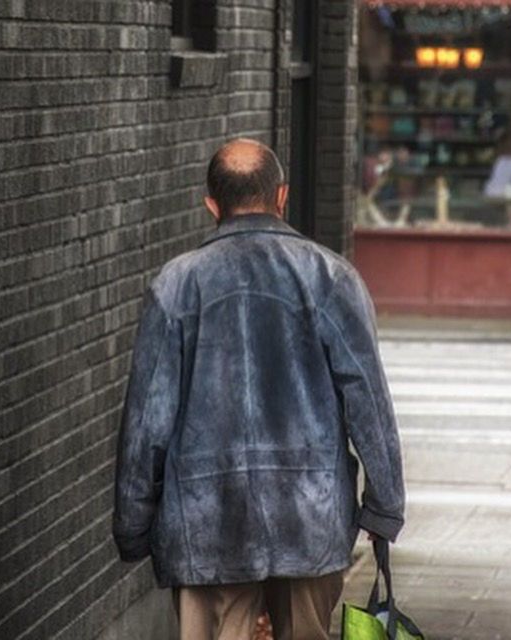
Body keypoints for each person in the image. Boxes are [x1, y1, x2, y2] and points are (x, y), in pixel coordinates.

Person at [112, 138, 405, 640]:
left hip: (208, 523)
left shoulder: (176, 285)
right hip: (309, 517)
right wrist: (384, 505)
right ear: (282, 196)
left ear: (211, 204)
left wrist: (134, 523)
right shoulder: (331, 277)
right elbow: (368, 401)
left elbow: (147, 421)